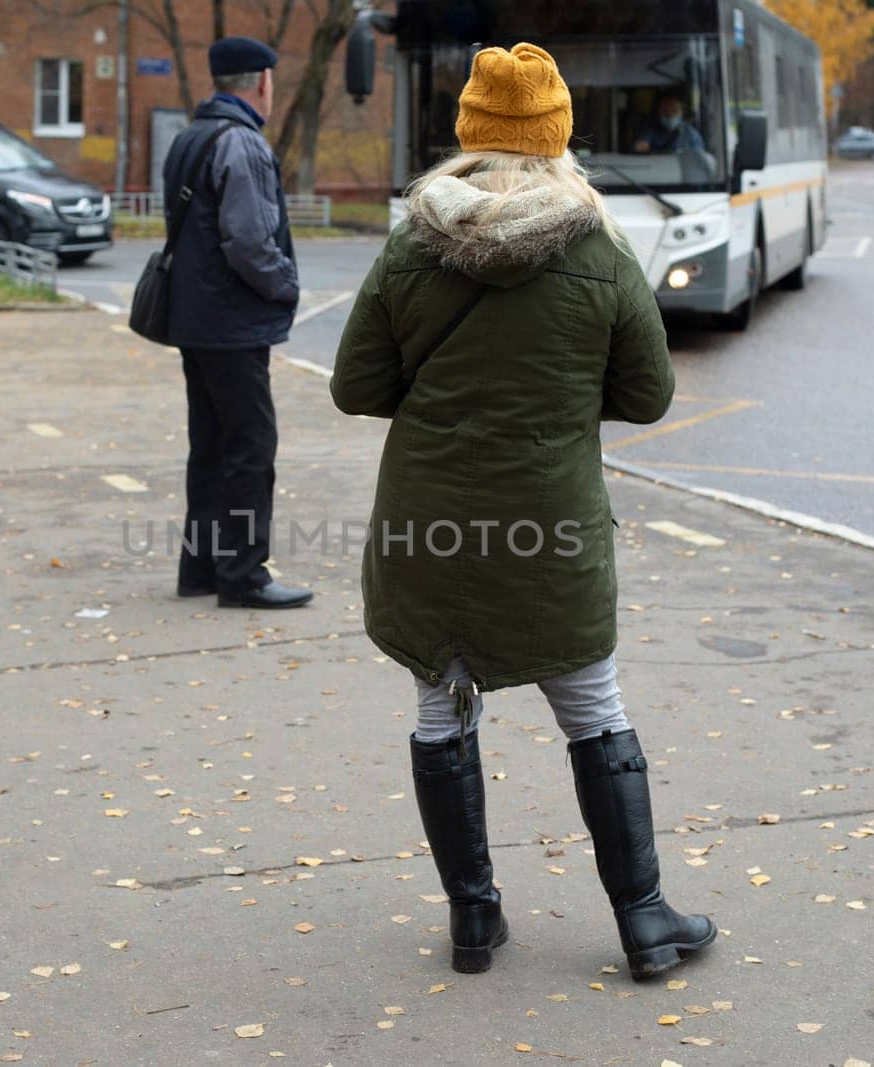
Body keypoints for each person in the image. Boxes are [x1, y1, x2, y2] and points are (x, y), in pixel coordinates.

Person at [331, 43, 716, 978]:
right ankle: (645, 920)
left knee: (440, 707)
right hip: (553, 523)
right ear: (556, 138)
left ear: (467, 135)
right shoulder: (598, 245)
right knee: (593, 709)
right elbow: (649, 394)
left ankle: (473, 920)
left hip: (430, 524)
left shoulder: (412, 241)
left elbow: (355, 386)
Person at [161, 37, 311, 610]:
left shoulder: (190, 136)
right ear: (262, 83)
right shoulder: (243, 143)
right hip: (232, 321)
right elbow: (249, 242)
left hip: (195, 318)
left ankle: (199, 568)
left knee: (211, 446)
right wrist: (288, 286)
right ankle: (245, 575)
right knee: (251, 446)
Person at [633, 92, 707, 155]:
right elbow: (641, 147)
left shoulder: (691, 134)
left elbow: (698, 158)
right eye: (665, 111)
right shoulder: (649, 128)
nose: (670, 115)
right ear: (658, 112)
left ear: (681, 112)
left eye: (674, 111)